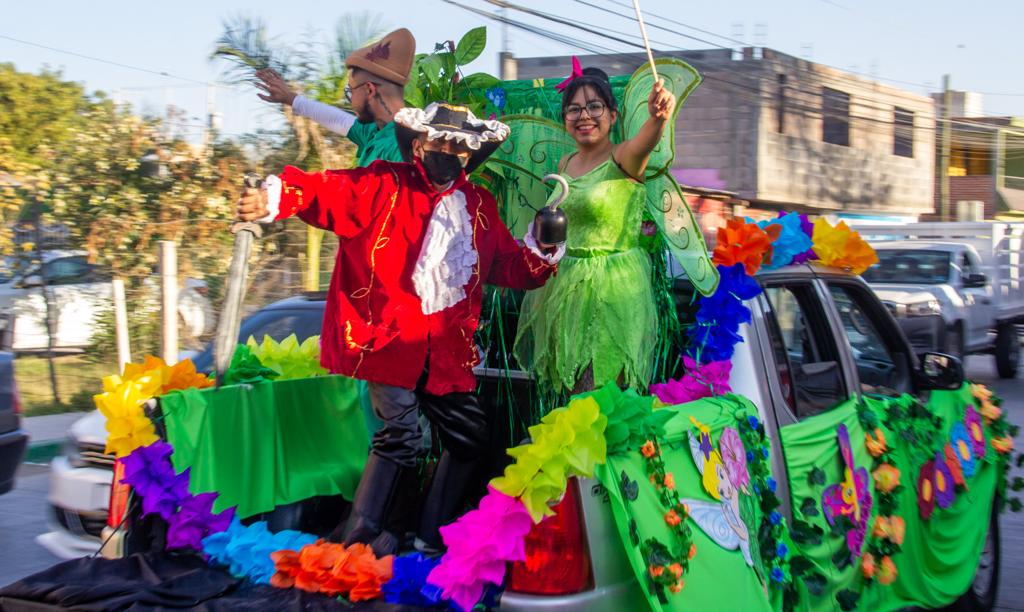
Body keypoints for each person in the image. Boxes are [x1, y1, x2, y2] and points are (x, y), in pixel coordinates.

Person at [236, 102, 564, 556]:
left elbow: (510, 266)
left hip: (446, 352)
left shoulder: (479, 206)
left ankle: (430, 538)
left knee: (470, 436)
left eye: (458, 146)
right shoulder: (384, 183)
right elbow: (323, 192)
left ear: (471, 156)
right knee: (401, 434)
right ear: (420, 144)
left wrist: (545, 243)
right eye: (439, 142)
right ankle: (360, 543)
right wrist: (274, 198)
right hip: (386, 339)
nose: (446, 151)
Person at [514, 65, 675, 395]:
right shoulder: (565, 164)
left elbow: (650, 136)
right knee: (571, 393)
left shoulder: (625, 158)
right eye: (574, 109)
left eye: (594, 106)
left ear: (613, 115)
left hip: (611, 292)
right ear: (564, 120)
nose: (584, 116)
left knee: (599, 395)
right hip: (566, 289)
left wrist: (659, 117)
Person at [255, 27, 415, 167]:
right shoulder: (375, 132)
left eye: (351, 92)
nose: (351, 101)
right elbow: (339, 120)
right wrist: (290, 98)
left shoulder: (402, 147)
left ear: (369, 90)